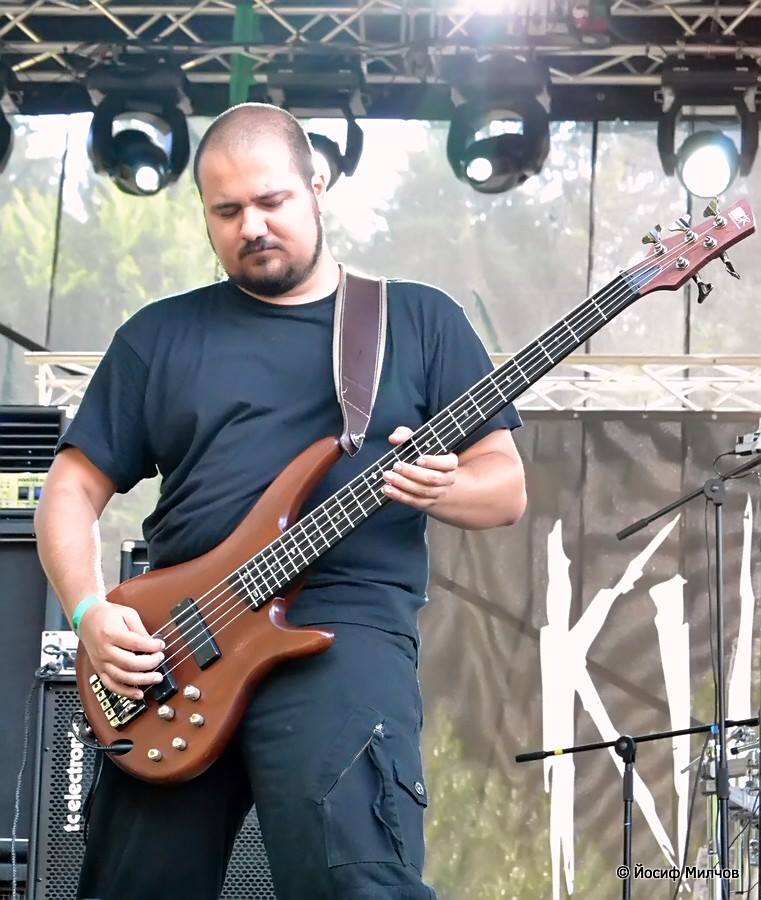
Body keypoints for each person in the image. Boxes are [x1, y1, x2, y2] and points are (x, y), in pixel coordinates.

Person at [34, 102, 527, 900]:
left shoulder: (416, 319)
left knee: (356, 883)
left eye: (271, 201)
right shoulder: (159, 336)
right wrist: (90, 611)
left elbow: (503, 489)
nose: (252, 226)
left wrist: (445, 485)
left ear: (317, 187)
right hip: (177, 644)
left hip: (343, 630)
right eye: (226, 211)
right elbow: (70, 489)